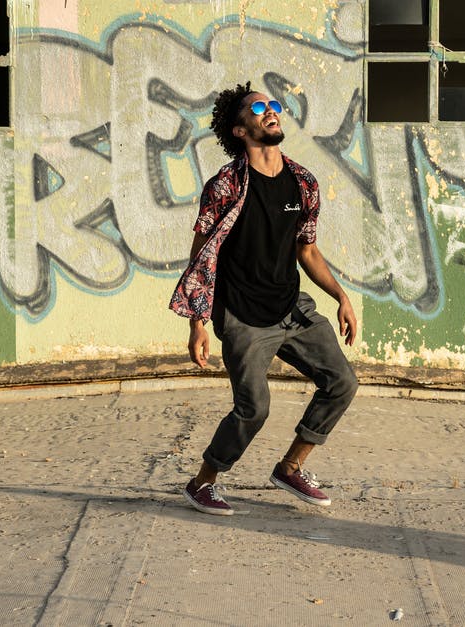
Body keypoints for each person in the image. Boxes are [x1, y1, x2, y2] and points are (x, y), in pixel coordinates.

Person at [169, 82, 359, 516]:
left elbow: (307, 250)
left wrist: (340, 296)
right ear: (240, 130)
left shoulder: (303, 183)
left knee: (342, 382)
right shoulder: (226, 186)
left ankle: (292, 467)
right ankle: (202, 482)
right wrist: (197, 321)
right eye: (258, 108)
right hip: (243, 317)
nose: (271, 111)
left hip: (292, 308)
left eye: (274, 105)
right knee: (254, 409)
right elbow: (202, 253)